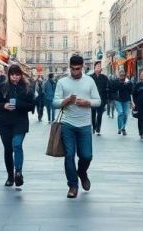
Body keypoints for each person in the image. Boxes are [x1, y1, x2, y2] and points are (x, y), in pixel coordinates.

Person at [53, 54, 101, 198]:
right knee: (69, 155)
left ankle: (82, 172)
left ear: (83, 67)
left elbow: (98, 101)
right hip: (67, 124)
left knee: (87, 155)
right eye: (72, 69)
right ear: (69, 67)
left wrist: (88, 103)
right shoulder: (62, 82)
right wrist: (66, 101)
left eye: (78, 69)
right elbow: (54, 102)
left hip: (85, 125)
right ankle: (73, 186)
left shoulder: (90, 81)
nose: (75, 72)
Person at [0, 65, 35, 187]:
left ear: (21, 75)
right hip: (5, 122)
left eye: (17, 75)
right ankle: (10, 176)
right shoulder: (2, 87)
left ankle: (18, 173)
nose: (15, 77)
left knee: (17, 145)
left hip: (20, 122)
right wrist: (4, 106)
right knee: (8, 149)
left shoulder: (27, 88)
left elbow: (31, 106)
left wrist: (18, 104)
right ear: (9, 75)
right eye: (12, 75)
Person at [90, 61, 110, 135]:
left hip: (102, 99)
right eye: (97, 66)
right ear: (94, 68)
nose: (99, 67)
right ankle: (94, 127)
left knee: (100, 114)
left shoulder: (104, 77)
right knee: (93, 114)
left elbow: (108, 88)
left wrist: (107, 99)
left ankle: (98, 129)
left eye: (99, 66)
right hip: (92, 99)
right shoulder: (90, 77)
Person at [112, 69, 133, 135]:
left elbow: (131, 91)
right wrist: (120, 83)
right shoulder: (116, 81)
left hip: (126, 100)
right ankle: (119, 128)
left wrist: (127, 84)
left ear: (125, 74)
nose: (122, 75)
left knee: (126, 114)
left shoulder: (128, 82)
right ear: (119, 74)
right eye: (120, 74)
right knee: (120, 113)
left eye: (123, 74)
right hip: (118, 100)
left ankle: (123, 128)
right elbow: (113, 89)